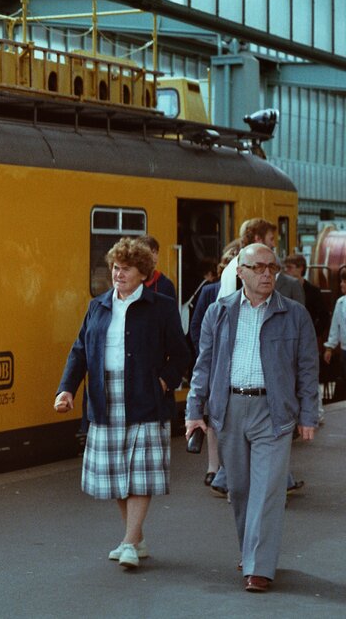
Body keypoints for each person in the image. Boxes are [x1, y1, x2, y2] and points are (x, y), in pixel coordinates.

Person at [185, 243, 319, 593]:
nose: (266, 274)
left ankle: (259, 567)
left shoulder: (294, 314)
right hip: (229, 410)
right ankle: (251, 551)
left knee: (269, 491)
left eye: (271, 268)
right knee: (241, 490)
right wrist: (193, 411)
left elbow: (307, 369)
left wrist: (308, 415)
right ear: (239, 271)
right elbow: (204, 364)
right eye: (258, 267)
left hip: (273, 412)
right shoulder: (220, 311)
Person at [54, 237, 188, 569]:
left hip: (145, 397)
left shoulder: (161, 307)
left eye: (126, 269)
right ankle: (137, 538)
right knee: (117, 473)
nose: (118, 274)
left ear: (143, 273)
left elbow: (182, 353)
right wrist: (66, 390)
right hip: (104, 396)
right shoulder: (98, 306)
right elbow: (80, 351)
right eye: (115, 267)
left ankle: (128, 542)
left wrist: (164, 380)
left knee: (140, 473)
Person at [187, 239, 240, 493]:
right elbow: (197, 325)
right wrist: (204, 354)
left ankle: (226, 474)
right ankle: (213, 467)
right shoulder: (210, 291)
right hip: (214, 362)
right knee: (212, 417)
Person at [219, 219, 303, 305]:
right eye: (271, 239)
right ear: (258, 239)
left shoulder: (231, 267)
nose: (273, 244)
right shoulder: (243, 266)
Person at [323, 265, 346, 403]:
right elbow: (335, 328)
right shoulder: (341, 302)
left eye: (344, 281)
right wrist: (329, 347)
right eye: (341, 281)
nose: (341, 284)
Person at [136, 235, 177, 301]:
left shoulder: (166, 284)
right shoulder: (131, 283)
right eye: (151, 252)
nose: (155, 257)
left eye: (156, 253)